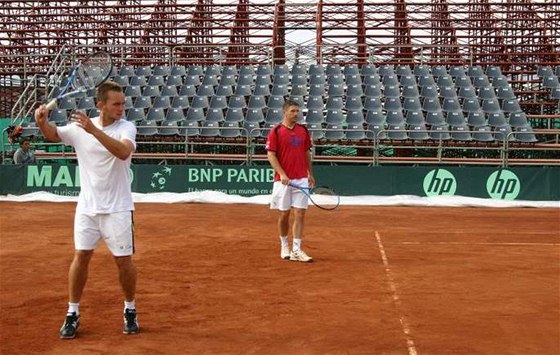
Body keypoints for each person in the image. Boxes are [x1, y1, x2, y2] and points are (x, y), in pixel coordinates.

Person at [34, 80, 139, 339]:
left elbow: (123, 152)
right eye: (116, 104)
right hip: (87, 208)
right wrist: (42, 122)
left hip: (118, 208)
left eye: (123, 103)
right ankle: (72, 312)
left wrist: (93, 130)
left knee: (123, 261)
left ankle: (130, 309)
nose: (121, 108)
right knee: (81, 256)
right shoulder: (80, 128)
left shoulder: (126, 127)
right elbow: (53, 134)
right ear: (100, 104)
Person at [266, 99, 315, 263]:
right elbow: (271, 155)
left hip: (301, 178)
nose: (296, 114)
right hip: (283, 181)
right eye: (293, 111)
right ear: (285, 112)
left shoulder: (303, 131)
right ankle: (284, 245)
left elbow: (306, 153)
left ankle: (296, 249)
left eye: (297, 111)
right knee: (284, 214)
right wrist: (282, 174)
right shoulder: (276, 131)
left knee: (300, 213)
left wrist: (310, 173)